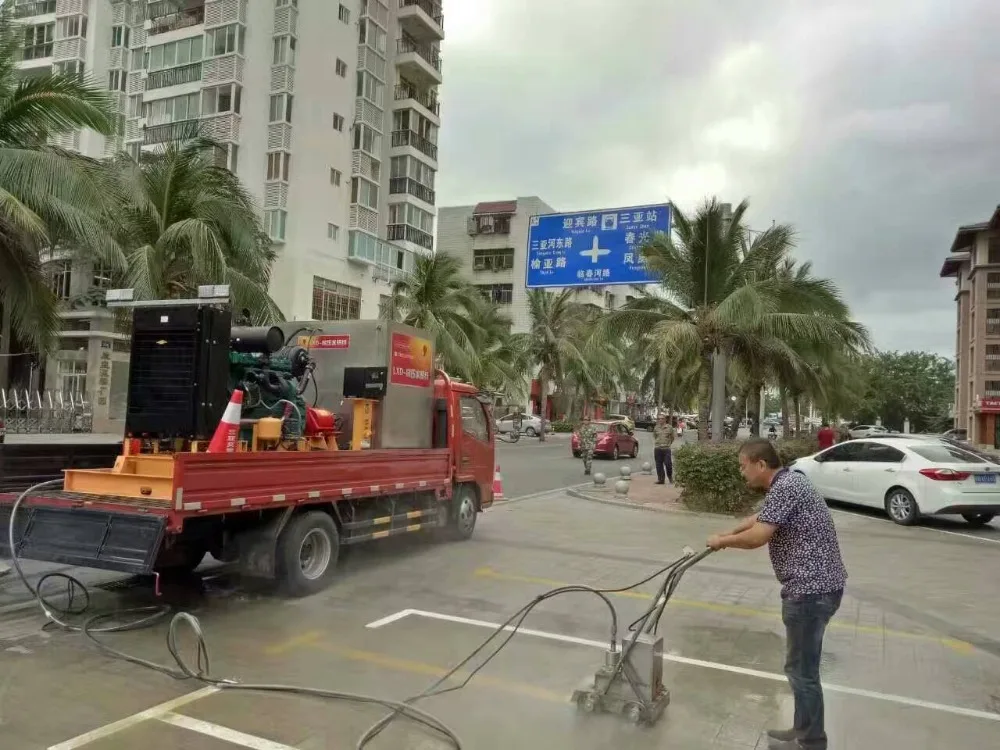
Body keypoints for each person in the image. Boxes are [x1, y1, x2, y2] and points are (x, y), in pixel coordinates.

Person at [706, 439, 846, 750]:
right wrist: (727, 533)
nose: (742, 472)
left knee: (802, 672)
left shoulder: (785, 487)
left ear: (760, 464)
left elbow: (758, 536)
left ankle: (810, 742)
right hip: (820, 587)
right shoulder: (790, 481)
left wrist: (722, 542)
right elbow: (759, 519)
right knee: (800, 669)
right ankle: (803, 730)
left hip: (810, 592)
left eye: (743, 466)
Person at [652, 414, 675, 484]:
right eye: (659, 419)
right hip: (658, 448)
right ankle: (661, 479)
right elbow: (655, 436)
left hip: (666, 448)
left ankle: (670, 477)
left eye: (662, 418)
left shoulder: (669, 427)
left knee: (668, 464)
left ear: (665, 419)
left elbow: (672, 437)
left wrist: (668, 444)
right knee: (659, 465)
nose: (660, 420)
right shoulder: (656, 428)